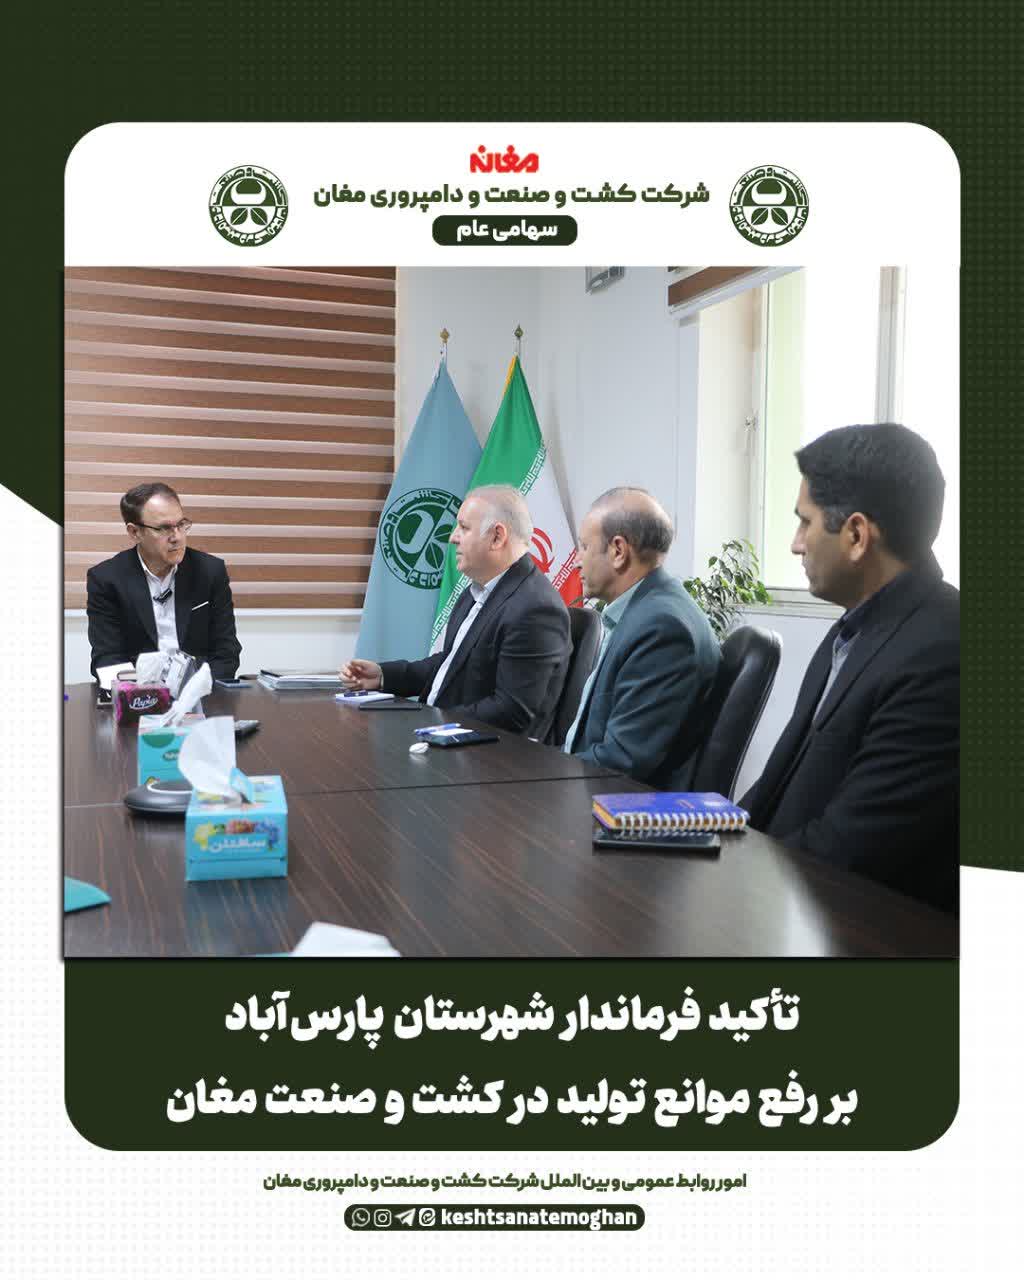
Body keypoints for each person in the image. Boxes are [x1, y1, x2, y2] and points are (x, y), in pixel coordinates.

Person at [739, 423, 958, 912]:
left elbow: (849, 851)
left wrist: (732, 883)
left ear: (857, 535)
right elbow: (774, 788)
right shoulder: (852, 629)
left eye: (805, 522)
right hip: (784, 896)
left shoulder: (943, 654)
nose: (796, 544)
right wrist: (704, 833)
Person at [341, 485, 570, 737]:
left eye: (464, 527)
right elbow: (452, 664)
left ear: (497, 537)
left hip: (485, 753)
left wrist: (429, 722)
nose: (452, 537)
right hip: (444, 736)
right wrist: (384, 676)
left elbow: (510, 712)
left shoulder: (535, 609)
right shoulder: (478, 590)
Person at [564, 487, 720, 785]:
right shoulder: (647, 610)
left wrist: (545, 773)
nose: (576, 561)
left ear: (618, 551)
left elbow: (620, 762)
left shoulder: (662, 628)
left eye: (584, 547)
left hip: (616, 801)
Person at [86, 482, 241, 681]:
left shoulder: (210, 571)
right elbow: (107, 659)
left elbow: (226, 652)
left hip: (199, 690)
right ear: (134, 532)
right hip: (139, 692)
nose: (177, 537)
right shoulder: (107, 580)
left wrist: (195, 689)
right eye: (164, 528)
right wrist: (147, 692)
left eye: (181, 525)